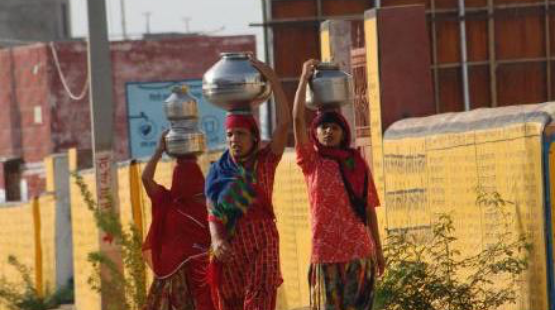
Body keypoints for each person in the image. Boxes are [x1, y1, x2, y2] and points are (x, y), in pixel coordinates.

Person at [293, 59, 385, 310]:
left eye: (334, 127)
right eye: (323, 127)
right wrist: (303, 79)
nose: (328, 132)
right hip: (326, 255)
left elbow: (368, 209)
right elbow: (297, 121)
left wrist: (378, 250)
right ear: (315, 133)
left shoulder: (356, 163)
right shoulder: (311, 161)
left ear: (343, 132)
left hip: (359, 252)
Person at [204, 57, 290, 310]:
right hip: (231, 247)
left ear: (254, 137)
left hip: (263, 243)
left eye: (240, 134)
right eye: (230, 134)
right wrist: (217, 241)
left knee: (257, 303)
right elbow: (212, 213)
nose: (234, 140)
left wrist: (273, 80)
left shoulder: (265, 161)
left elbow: (284, 124)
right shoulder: (218, 171)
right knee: (230, 304)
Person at [141, 131, 215, 310]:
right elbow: (145, 178)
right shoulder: (168, 201)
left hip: (197, 276)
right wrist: (158, 150)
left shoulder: (204, 207)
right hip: (174, 276)